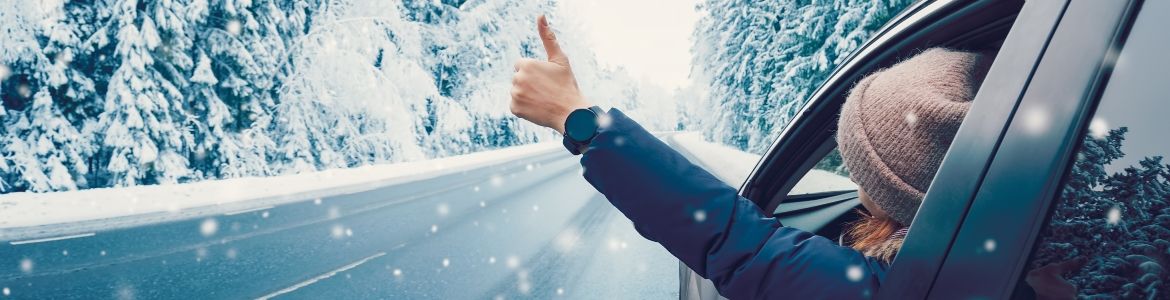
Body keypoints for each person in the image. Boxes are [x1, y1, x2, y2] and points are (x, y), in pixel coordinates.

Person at [510, 15, 994, 299]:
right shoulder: (989, 262)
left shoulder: (907, 285)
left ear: (900, 188)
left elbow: (737, 240)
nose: (852, 177)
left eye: (860, 165)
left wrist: (578, 119)